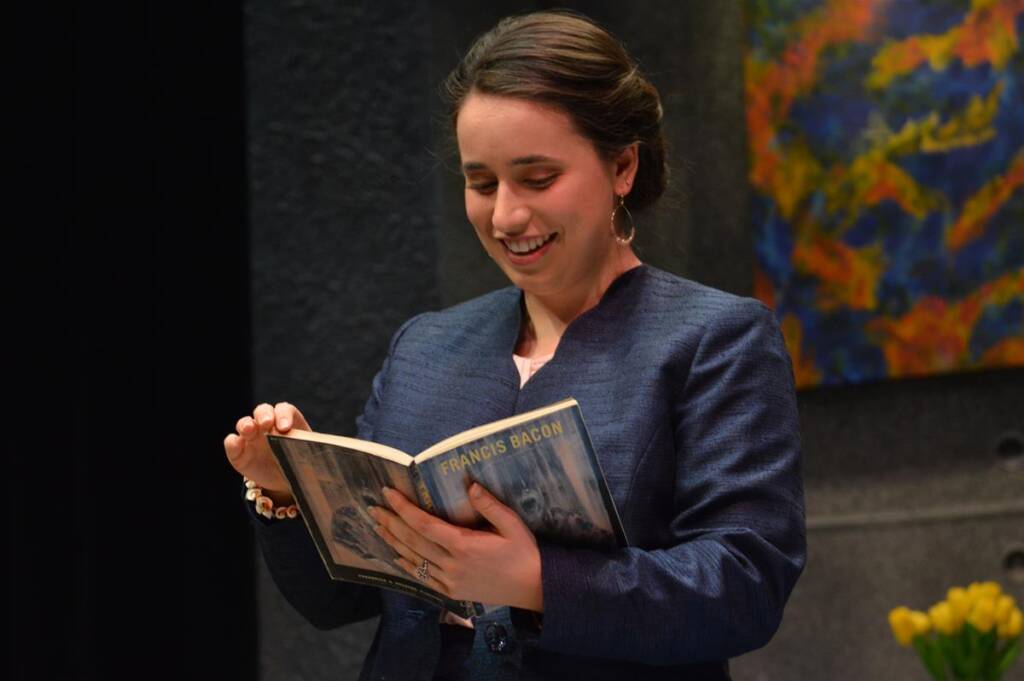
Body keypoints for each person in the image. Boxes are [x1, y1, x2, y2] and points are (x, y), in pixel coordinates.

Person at [223, 10, 805, 681]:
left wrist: (535, 580)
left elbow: (744, 585)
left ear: (622, 166)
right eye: (482, 183)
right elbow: (340, 598)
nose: (505, 216)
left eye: (537, 178)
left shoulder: (715, 339)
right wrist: (291, 491)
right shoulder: (427, 346)